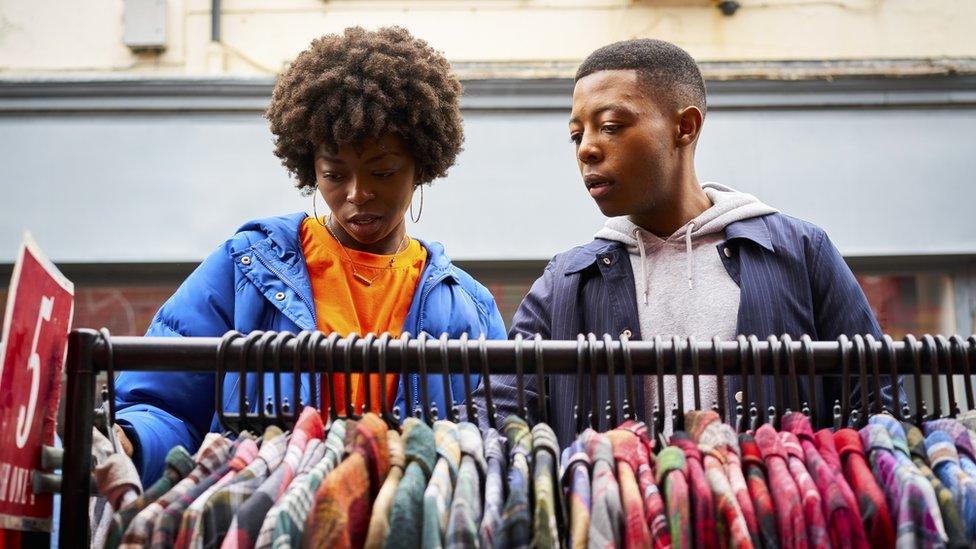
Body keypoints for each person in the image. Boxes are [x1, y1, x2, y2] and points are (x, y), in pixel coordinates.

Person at [114, 26, 506, 484]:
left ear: (422, 165)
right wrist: (129, 440)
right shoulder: (246, 268)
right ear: (309, 167)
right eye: (335, 174)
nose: (358, 194)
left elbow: (491, 447)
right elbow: (164, 405)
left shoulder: (470, 309)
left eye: (383, 171)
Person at [477, 38, 887, 446]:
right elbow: (496, 413)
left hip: (770, 510)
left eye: (610, 126)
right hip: (619, 511)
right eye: (576, 135)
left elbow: (877, 406)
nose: (586, 149)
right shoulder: (566, 282)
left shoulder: (798, 252)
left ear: (684, 127)